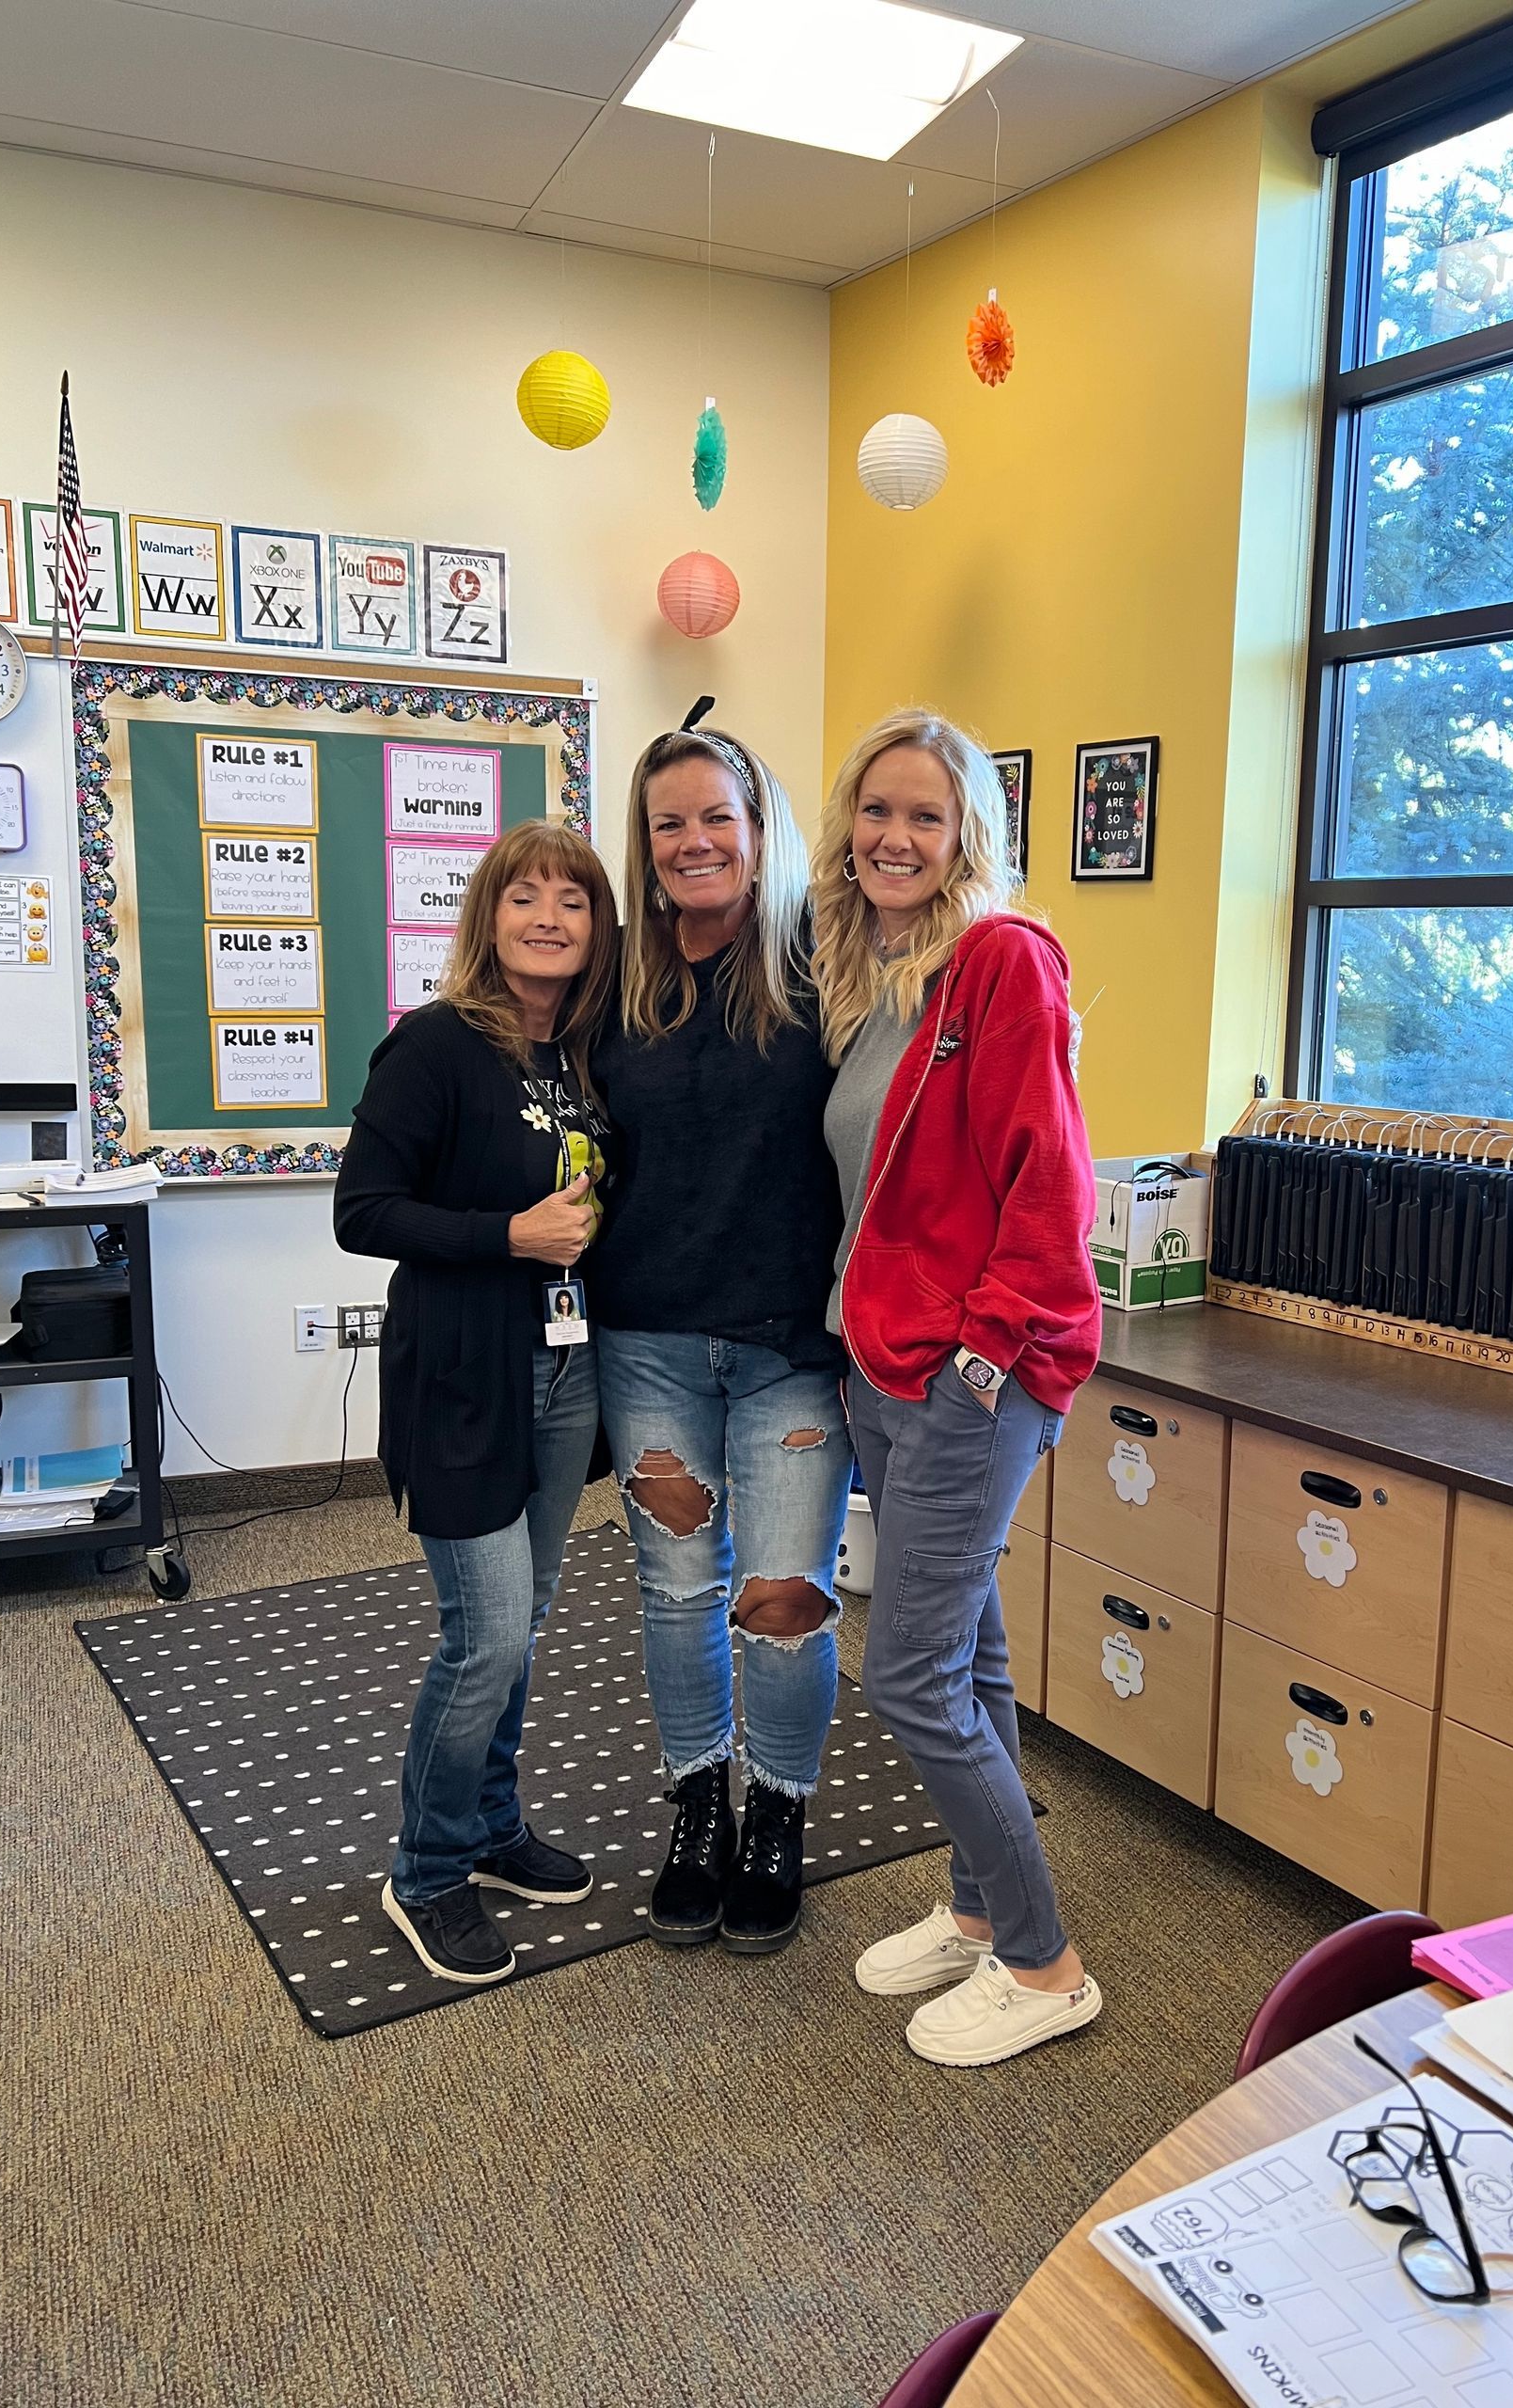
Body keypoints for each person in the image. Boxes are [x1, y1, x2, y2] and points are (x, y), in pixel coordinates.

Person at [812, 706, 1104, 2067]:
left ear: (967, 834)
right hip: (888, 1360)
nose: (896, 837)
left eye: (926, 815)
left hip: (973, 1373)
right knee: (972, 1660)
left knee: (913, 1676)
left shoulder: (1002, 961)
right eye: (878, 811)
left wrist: (985, 1361)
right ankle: (984, 1916)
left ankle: (1045, 1966)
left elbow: (1050, 1186)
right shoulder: (876, 978)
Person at [335, 820, 616, 1988]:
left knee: (527, 1620)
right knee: (486, 1630)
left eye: (573, 901)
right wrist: (507, 1234)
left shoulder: (588, 1058)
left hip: (563, 1372)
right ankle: (429, 1869)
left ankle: (491, 1824)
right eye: (525, 899)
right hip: (458, 1369)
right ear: (488, 918)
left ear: (599, 928)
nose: (549, 918)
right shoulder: (435, 1046)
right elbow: (363, 1211)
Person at [591, 721, 849, 1956]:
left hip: (791, 1346)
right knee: (678, 1591)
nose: (693, 842)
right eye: (667, 825)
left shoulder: (823, 967)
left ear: (759, 832)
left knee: (784, 1601)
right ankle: (700, 1805)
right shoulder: (619, 982)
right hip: (647, 1338)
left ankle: (780, 1812)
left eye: (714, 819)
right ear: (644, 850)